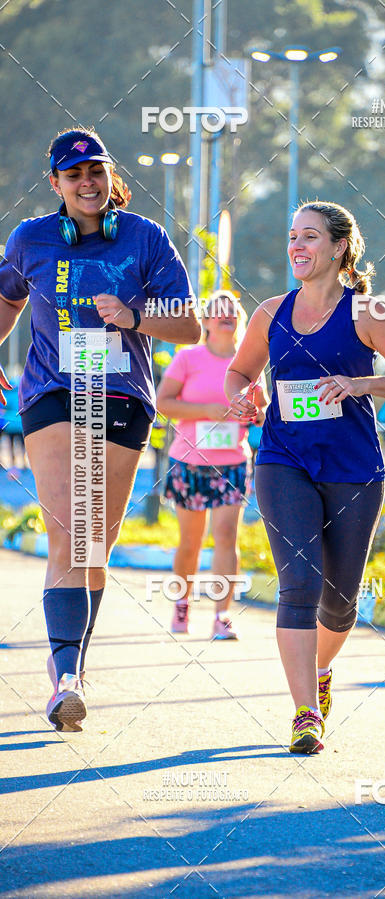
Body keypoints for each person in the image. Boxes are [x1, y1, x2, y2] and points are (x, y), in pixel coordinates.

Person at [0, 127, 201, 733]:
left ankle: (74, 667)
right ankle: (67, 678)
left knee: (95, 540)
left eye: (97, 172)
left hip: (121, 395)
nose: (88, 183)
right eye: (74, 174)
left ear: (112, 179)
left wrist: (137, 315)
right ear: (56, 185)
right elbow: (7, 300)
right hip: (53, 392)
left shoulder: (144, 237)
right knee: (67, 523)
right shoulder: (30, 238)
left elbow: (189, 326)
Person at [224, 200, 385, 754]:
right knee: (299, 584)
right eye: (293, 236)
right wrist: (242, 396)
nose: (297, 246)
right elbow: (239, 371)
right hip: (282, 461)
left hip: (352, 468)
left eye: (311, 236)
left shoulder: (367, 313)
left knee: (340, 599)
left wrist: (361, 384)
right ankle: (304, 714)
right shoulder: (270, 312)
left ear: (340, 247)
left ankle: (317, 672)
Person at [157, 290, 267, 638]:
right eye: (218, 311)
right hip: (188, 461)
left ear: (240, 319)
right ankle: (182, 605)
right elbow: (164, 403)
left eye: (232, 310)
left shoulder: (250, 362)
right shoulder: (188, 358)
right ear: (204, 321)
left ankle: (222, 615)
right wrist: (206, 411)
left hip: (232, 463)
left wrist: (257, 413)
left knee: (225, 537)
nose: (226, 315)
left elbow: (263, 413)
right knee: (190, 542)